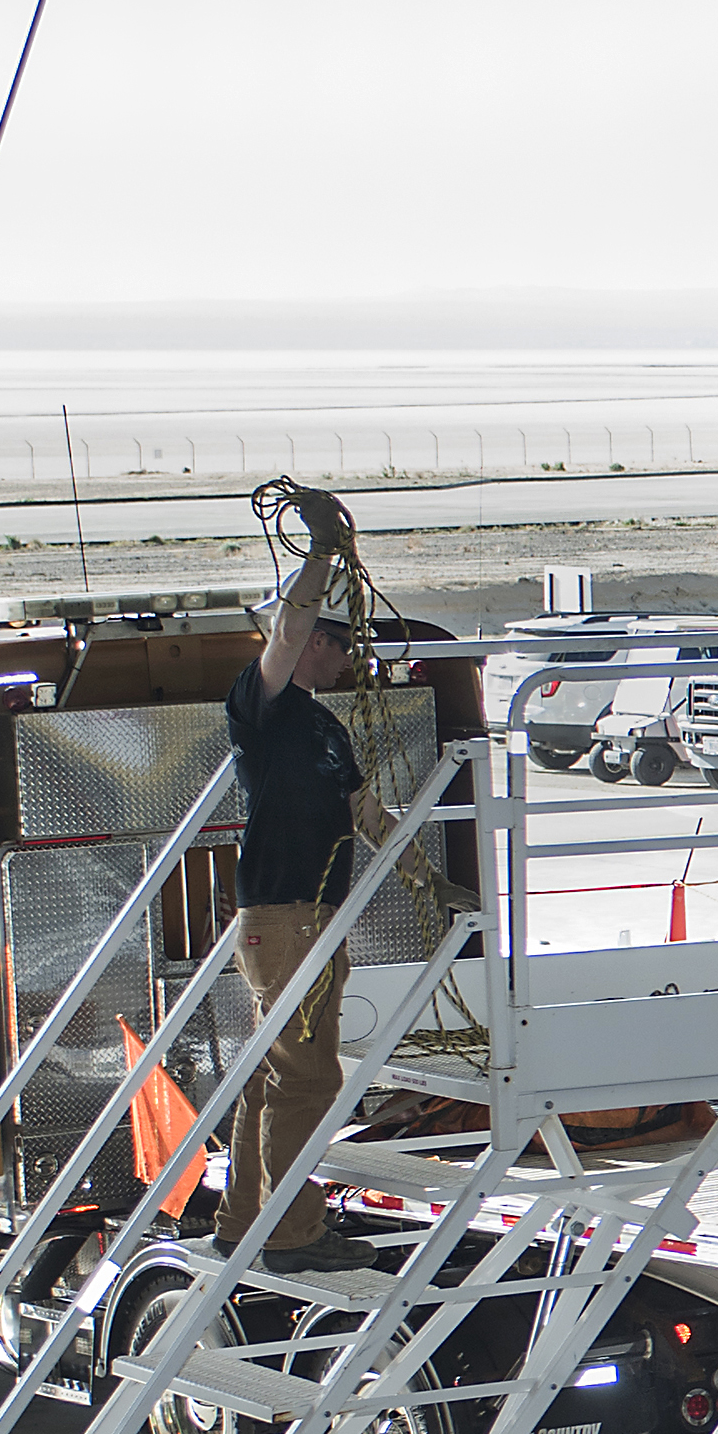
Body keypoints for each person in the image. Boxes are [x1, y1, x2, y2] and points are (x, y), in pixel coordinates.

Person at [226, 538, 403, 1265]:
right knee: (307, 1075)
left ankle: (244, 1217)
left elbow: (362, 809)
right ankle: (294, 1233)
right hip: (286, 913)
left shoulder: (323, 726)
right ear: (313, 644)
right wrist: (324, 554)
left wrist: (421, 866)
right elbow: (288, 629)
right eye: (338, 647)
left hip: (310, 917)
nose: (346, 662)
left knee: (277, 1072)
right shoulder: (261, 705)